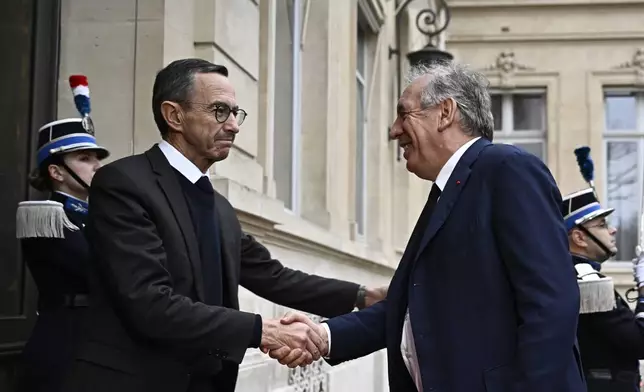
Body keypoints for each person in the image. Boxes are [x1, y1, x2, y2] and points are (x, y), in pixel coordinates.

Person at [62, 58, 387, 392]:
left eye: (235, 112)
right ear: (174, 115)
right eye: (220, 111)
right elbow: (149, 303)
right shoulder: (123, 184)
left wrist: (362, 296)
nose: (233, 125)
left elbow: (273, 276)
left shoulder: (218, 206)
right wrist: (264, 330)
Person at [276, 61, 584, 392]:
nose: (394, 130)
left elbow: (552, 305)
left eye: (403, 113)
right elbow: (411, 308)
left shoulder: (507, 170)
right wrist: (323, 337)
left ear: (445, 112)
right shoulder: (448, 191)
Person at [16, 75, 109, 392]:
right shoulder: (47, 215)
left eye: (97, 158)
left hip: (101, 343)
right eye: (85, 159)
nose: (97, 166)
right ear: (56, 172)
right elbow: (101, 270)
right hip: (66, 342)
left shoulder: (101, 215)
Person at [563, 187, 644, 391]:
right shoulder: (587, 282)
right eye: (602, 225)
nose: (612, 230)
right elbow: (639, 341)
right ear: (579, 238)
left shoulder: (571, 274)